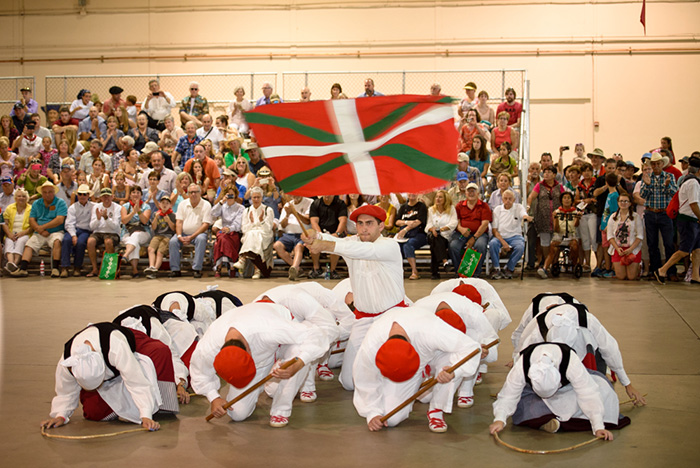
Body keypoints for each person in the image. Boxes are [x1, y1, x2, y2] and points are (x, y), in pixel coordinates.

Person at [302, 204, 406, 391]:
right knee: (349, 383)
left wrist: (323, 245)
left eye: (369, 223)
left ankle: (375, 361)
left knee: (395, 374)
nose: (364, 228)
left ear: (381, 226)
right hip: (363, 319)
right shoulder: (353, 243)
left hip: (392, 319)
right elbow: (338, 243)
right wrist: (314, 236)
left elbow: (355, 250)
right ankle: (363, 357)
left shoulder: (389, 246)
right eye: (360, 223)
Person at [190, 301, 326, 428]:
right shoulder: (208, 348)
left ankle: (281, 410)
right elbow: (200, 372)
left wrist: (300, 363)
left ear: (250, 351)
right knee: (237, 413)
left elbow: (317, 335)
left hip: (281, 340)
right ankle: (272, 384)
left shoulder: (269, 329)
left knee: (298, 353)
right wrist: (214, 397)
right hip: (262, 350)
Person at [353, 306, 481, 433]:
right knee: (391, 419)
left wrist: (454, 372)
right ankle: (423, 388)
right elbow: (365, 379)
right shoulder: (372, 345)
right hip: (407, 361)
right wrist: (373, 412)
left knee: (451, 358)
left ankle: (436, 410)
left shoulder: (431, 330)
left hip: (435, 354)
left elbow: (471, 348)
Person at [513, 303, 646, 407]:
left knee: (597, 387)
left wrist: (627, 384)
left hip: (587, 345)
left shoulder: (588, 321)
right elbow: (521, 355)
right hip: (547, 351)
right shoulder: (537, 330)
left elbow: (611, 350)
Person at [490, 343, 628, 440]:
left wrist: (598, 426)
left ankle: (552, 420)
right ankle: (564, 421)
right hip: (533, 395)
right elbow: (508, 395)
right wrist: (500, 419)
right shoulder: (522, 365)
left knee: (604, 391)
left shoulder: (570, 361)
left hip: (570, 389)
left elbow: (588, 393)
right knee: (522, 406)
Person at [655, 155, 700, 284]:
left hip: (693, 219)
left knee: (697, 249)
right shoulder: (693, 183)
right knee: (684, 250)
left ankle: (695, 275)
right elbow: (693, 204)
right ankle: (662, 270)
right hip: (688, 220)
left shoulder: (690, 181)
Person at [10, 181, 67, 277]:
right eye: (45, 192)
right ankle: (23, 269)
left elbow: (59, 220)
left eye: (50, 192)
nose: (47, 194)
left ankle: (56, 269)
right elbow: (32, 219)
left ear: (54, 192)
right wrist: (39, 230)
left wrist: (42, 227)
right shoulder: (36, 203)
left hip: (55, 231)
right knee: (29, 245)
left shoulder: (60, 202)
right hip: (38, 232)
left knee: (57, 241)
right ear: (41, 193)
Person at [639, 152, 678, 280]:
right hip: (650, 213)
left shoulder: (669, 176)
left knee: (668, 243)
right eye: (653, 164)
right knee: (652, 244)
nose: (656, 166)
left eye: (658, 163)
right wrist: (648, 184)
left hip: (664, 213)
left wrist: (666, 186)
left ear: (662, 164)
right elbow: (643, 195)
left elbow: (673, 193)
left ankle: (671, 271)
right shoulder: (646, 177)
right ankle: (656, 270)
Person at [169, 183, 212, 278]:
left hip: (199, 233)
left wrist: (192, 236)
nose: (193, 194)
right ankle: (175, 269)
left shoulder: (206, 205)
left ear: (200, 193)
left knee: (201, 240)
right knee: (173, 241)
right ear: (188, 193)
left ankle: (197, 269)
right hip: (183, 233)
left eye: (196, 192)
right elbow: (179, 222)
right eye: (191, 192)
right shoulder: (182, 204)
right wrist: (179, 236)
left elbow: (205, 224)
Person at [449, 182, 491, 278]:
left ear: (478, 193)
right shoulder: (459, 206)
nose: (471, 193)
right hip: (462, 233)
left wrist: (474, 238)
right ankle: (459, 272)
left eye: (473, 191)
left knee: (480, 245)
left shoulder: (484, 206)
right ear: (465, 193)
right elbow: (456, 221)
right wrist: (461, 229)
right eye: (469, 191)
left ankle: (475, 273)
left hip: (480, 234)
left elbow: (484, 224)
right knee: (453, 245)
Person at [232, 186, 274, 279]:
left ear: (262, 198)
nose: (256, 199)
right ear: (251, 198)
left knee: (255, 234)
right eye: (254, 197)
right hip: (250, 235)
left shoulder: (268, 210)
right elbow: (244, 229)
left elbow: (268, 229)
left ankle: (242, 259)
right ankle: (257, 270)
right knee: (252, 234)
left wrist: (261, 220)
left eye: (258, 197)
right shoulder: (246, 211)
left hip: (264, 235)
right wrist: (252, 223)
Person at [489, 190, 532, 279]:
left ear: (514, 199)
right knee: (493, 244)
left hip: (515, 236)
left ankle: (509, 268)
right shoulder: (497, 209)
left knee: (520, 246)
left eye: (510, 199)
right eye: (505, 198)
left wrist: (526, 217)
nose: (508, 201)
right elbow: (494, 230)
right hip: (500, 236)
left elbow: (523, 214)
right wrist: (503, 242)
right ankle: (496, 268)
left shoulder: (518, 207)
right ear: (502, 199)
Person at [527, 166, 565, 268]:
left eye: (549, 172)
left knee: (556, 241)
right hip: (543, 218)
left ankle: (555, 263)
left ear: (554, 175)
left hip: (557, 219)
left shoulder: (559, 186)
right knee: (545, 241)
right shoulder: (539, 185)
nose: (546, 174)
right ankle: (546, 263)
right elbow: (531, 196)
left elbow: (565, 198)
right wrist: (528, 206)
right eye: (545, 172)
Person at [538, 191, 581, 278]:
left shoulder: (575, 212)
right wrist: (556, 218)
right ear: (561, 200)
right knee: (553, 246)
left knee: (575, 245)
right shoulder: (557, 211)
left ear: (571, 200)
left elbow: (576, 225)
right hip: (559, 235)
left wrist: (577, 218)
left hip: (571, 235)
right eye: (564, 198)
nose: (566, 200)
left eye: (568, 198)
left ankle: (573, 264)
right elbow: (556, 229)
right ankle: (545, 268)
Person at [606, 192, 644, 281]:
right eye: (621, 201)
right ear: (618, 202)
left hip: (633, 249)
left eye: (626, 201)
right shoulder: (613, 217)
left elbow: (640, 236)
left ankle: (638, 267)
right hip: (618, 249)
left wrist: (630, 249)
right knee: (621, 277)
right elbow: (610, 236)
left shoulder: (636, 216)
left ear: (630, 203)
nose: (623, 203)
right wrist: (617, 248)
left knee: (631, 277)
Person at [307, 194, 348, 279]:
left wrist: (337, 234)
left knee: (336, 243)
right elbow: (314, 222)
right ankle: (316, 269)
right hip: (320, 233)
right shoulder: (315, 204)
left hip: (336, 232)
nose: (327, 196)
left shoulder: (340, 204)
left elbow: (343, 221)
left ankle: (333, 270)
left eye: (329, 194)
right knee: (313, 242)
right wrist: (320, 235)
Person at [85, 187, 121, 277]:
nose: (106, 199)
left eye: (108, 196)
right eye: (104, 197)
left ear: (112, 197)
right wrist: (97, 218)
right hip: (98, 232)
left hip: (112, 233)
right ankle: (95, 269)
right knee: (90, 241)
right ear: (100, 198)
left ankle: (109, 271)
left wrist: (106, 218)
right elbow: (91, 226)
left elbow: (115, 226)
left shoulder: (117, 208)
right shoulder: (96, 207)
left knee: (108, 242)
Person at [274, 195, 312, 281]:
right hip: (288, 235)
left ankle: (294, 267)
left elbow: (307, 220)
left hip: (303, 234)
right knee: (277, 245)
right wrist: (287, 214)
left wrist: (295, 212)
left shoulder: (309, 202)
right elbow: (283, 225)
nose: (295, 196)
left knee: (298, 247)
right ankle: (297, 269)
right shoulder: (287, 205)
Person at [59, 184, 93, 277]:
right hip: (72, 229)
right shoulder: (72, 207)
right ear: (77, 195)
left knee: (81, 243)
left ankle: (77, 267)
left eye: (84, 194)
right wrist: (73, 235)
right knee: (66, 240)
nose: (82, 196)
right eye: (80, 194)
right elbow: (69, 223)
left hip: (86, 230)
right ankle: (64, 267)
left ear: (88, 196)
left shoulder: (93, 206)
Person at [211, 185, 244, 277]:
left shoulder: (240, 208)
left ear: (235, 195)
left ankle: (219, 267)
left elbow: (238, 223)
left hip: (234, 231)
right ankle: (232, 265)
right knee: (222, 237)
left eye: (232, 195)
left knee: (220, 242)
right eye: (228, 195)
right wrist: (221, 202)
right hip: (223, 231)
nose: (230, 197)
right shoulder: (222, 206)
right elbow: (213, 213)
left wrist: (230, 229)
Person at [120, 186, 152, 278]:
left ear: (141, 195)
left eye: (138, 193)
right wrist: (133, 212)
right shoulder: (125, 206)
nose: (136, 195)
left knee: (136, 236)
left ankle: (126, 255)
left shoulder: (146, 206)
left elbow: (145, 221)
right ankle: (135, 270)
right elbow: (124, 221)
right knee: (134, 241)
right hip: (127, 232)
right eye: (133, 192)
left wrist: (138, 211)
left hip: (143, 232)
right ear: (130, 195)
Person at [426, 190, 457, 280]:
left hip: (447, 236)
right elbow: (428, 225)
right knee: (436, 238)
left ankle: (435, 272)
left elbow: (453, 223)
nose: (438, 199)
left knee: (434, 245)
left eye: (440, 197)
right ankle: (445, 262)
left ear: (445, 199)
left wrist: (440, 229)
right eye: (436, 197)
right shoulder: (431, 210)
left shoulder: (451, 209)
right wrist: (432, 229)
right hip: (433, 235)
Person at [396, 193, 428, 280]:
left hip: (419, 234)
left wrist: (405, 229)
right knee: (396, 246)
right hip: (404, 235)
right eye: (410, 192)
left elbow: (418, 221)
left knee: (408, 245)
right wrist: (406, 222)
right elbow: (397, 221)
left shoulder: (421, 206)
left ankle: (414, 271)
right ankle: (398, 271)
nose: (412, 194)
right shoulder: (403, 207)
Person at [2, 188, 31, 275]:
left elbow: (33, 225)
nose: (21, 198)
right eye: (19, 196)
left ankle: (14, 263)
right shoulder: (9, 208)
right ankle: (11, 263)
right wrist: (9, 234)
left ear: (27, 198)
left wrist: (23, 233)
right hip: (11, 232)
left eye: (23, 196)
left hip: (25, 233)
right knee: (8, 241)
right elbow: (4, 223)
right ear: (15, 198)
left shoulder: (31, 208)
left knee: (21, 241)